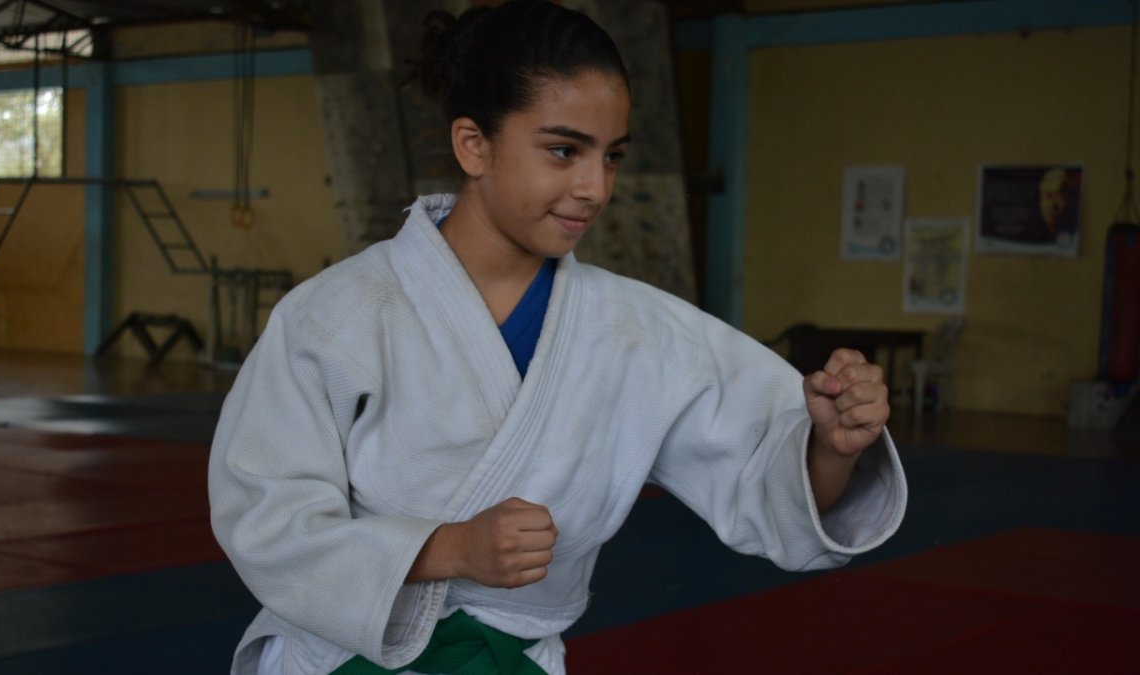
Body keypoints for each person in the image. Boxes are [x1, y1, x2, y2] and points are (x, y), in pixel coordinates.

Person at [208, 2, 907, 674]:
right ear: (473, 144)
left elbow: (763, 481)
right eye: (565, 150)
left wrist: (829, 447)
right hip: (342, 659)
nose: (595, 187)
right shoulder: (336, 315)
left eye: (612, 157)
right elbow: (265, 517)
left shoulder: (637, 332)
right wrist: (447, 549)